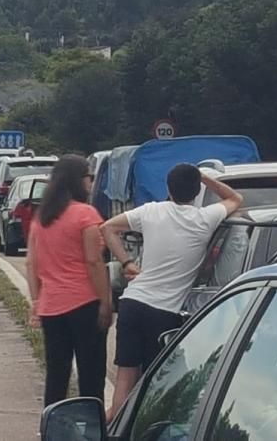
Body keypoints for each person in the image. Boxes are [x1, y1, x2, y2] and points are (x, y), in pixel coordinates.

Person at [100, 164, 243, 420]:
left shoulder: (151, 211)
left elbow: (107, 228)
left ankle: (114, 430)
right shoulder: (205, 218)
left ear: (168, 188)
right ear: (196, 190)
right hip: (164, 314)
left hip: (132, 303)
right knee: (158, 390)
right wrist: (205, 178)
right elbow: (235, 199)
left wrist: (127, 263)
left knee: (125, 383)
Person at [25, 155, 111, 407]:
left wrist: (36, 301)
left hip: (52, 307)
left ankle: (52, 426)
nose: (91, 182)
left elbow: (32, 263)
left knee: (57, 374)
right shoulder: (85, 214)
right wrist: (105, 302)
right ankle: (91, 429)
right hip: (85, 303)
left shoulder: (42, 217)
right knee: (91, 374)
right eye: (89, 176)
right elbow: (94, 262)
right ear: (78, 180)